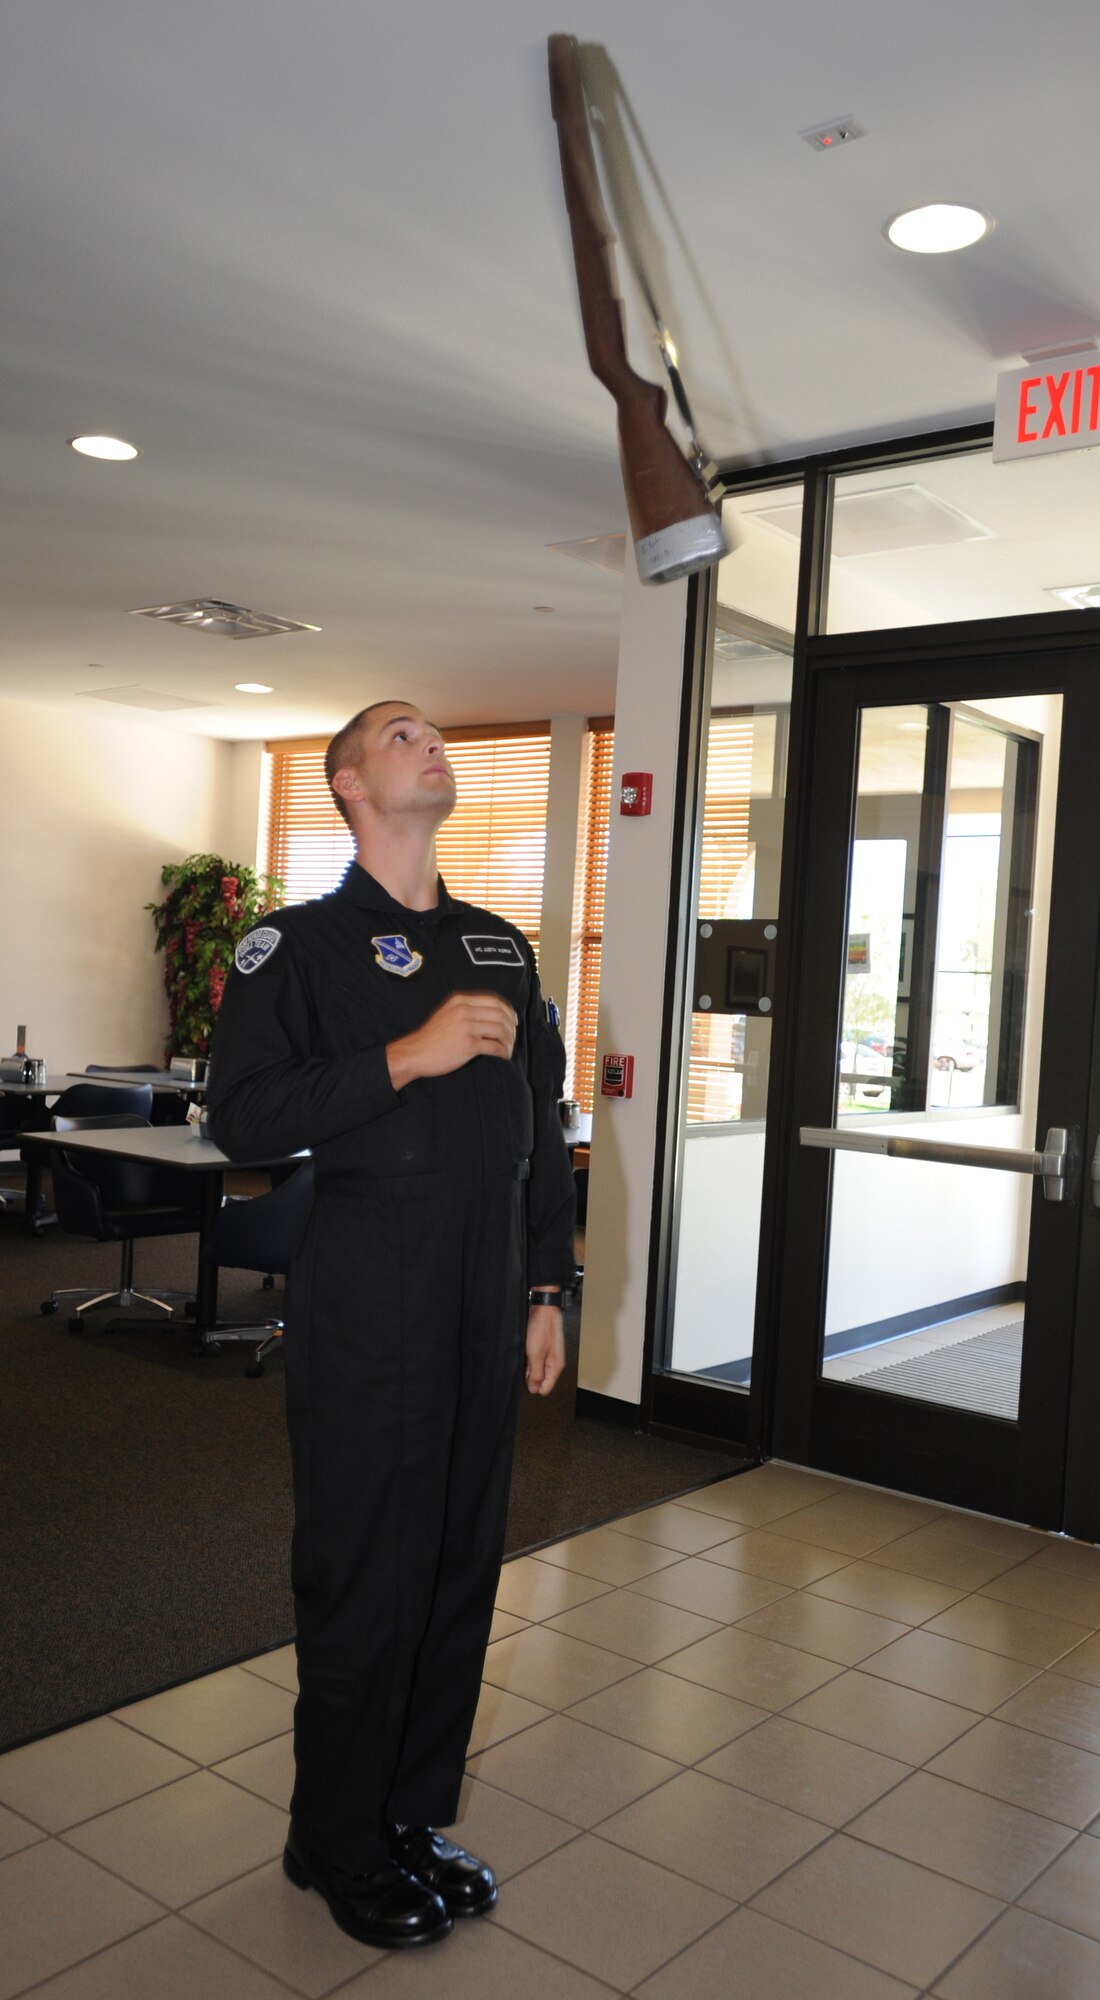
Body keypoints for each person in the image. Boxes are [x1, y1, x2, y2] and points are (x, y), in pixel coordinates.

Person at [207, 700, 576, 1950]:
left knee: (458, 1563)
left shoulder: (502, 947)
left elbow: (541, 1135)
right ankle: (333, 1833)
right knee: (366, 1570)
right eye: (402, 734)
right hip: (371, 1283)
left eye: (436, 733)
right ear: (350, 784)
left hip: (486, 1292)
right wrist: (403, 1058)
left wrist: (544, 1289)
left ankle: (406, 1814)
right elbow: (240, 1119)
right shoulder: (292, 948)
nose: (433, 744)